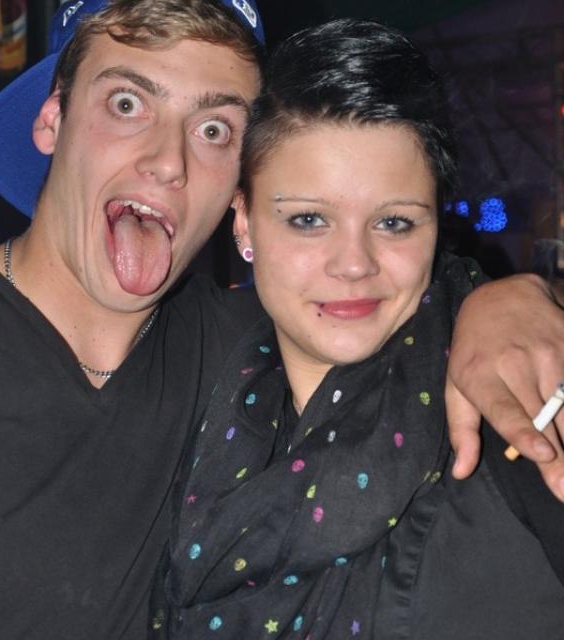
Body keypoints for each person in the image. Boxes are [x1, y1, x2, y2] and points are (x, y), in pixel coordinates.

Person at [0, 0, 561, 637]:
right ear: (52, 118)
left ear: (239, 194)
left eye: (213, 129)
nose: (168, 161)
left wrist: (503, 302)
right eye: (126, 103)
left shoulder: (243, 348)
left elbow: (389, 283)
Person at [156, 19, 564, 639]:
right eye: (308, 219)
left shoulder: (519, 408)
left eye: (394, 223)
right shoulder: (197, 406)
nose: (353, 264)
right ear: (244, 222)